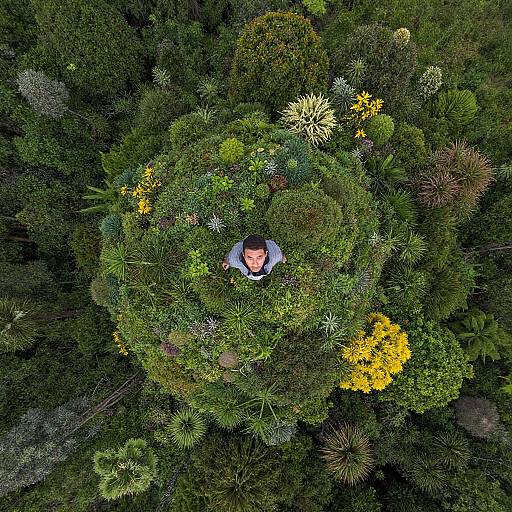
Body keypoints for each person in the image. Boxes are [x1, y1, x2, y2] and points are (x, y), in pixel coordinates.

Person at [222, 234, 286, 281]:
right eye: (250, 257)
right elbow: (228, 259)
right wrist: (226, 262)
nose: (255, 264)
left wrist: (282, 258)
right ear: (243, 255)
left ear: (266, 254)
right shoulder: (234, 259)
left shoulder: (275, 254)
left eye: (259, 257)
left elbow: (281, 255)